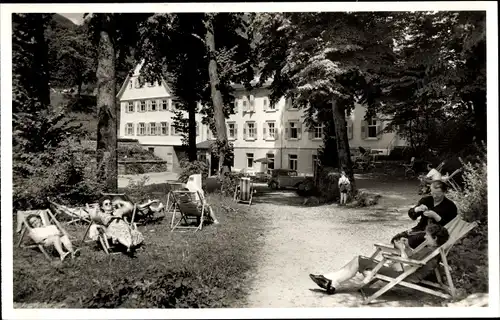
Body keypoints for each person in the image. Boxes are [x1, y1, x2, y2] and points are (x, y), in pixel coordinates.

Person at [309, 223, 450, 294]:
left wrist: (401, 250)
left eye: (427, 235)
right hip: (402, 270)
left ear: (435, 238)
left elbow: (409, 266)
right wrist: (406, 248)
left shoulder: (430, 251)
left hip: (402, 275)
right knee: (360, 260)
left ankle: (332, 281)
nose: (425, 237)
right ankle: (330, 280)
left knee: (360, 260)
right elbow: (412, 259)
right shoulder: (431, 250)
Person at [391, 180, 457, 249]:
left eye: (437, 194)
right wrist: (417, 209)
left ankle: (407, 257)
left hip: (434, 234)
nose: (434, 196)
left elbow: (449, 226)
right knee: (397, 239)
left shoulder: (450, 206)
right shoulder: (426, 200)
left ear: (444, 192)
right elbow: (412, 216)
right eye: (432, 192)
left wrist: (436, 216)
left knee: (409, 242)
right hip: (419, 228)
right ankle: (402, 256)